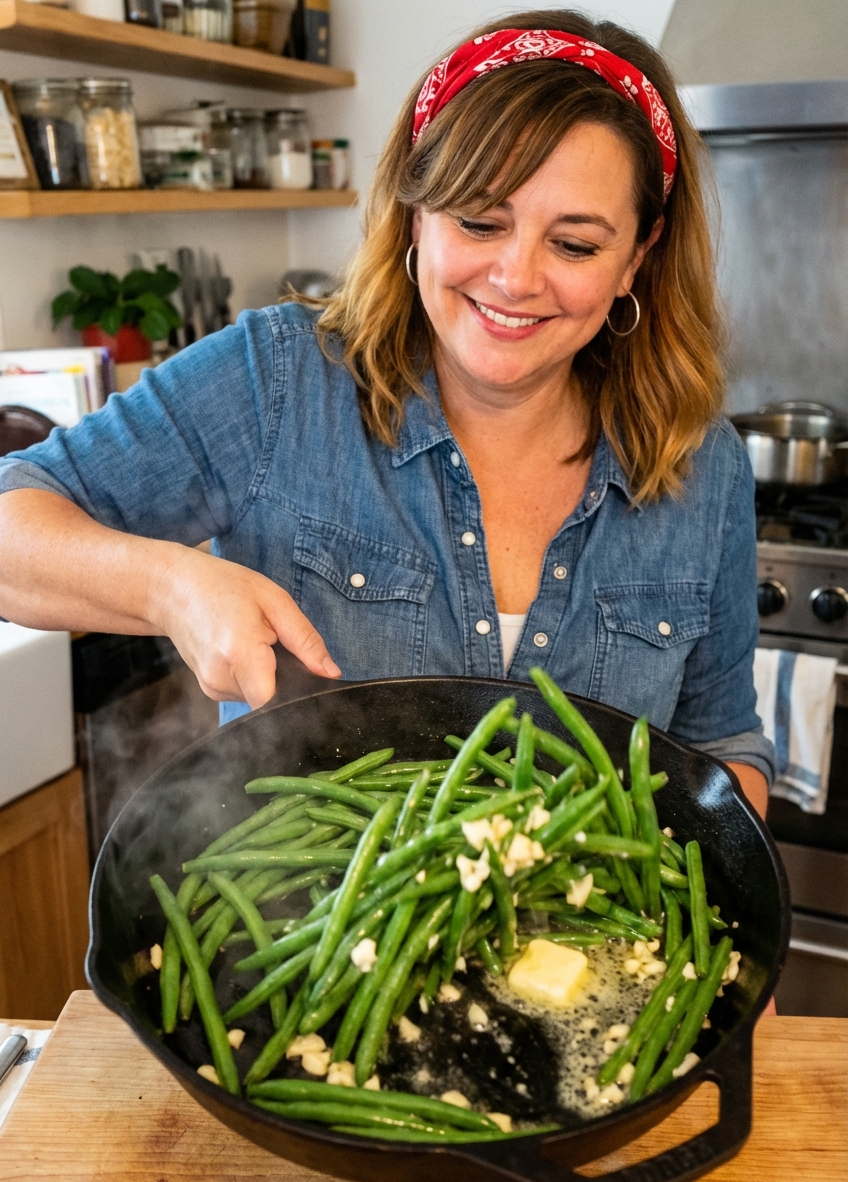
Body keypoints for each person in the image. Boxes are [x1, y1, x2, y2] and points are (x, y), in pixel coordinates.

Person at [0, 9, 773, 816]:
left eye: (574, 245)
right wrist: (172, 586)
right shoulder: (280, 381)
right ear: (416, 213)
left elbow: (719, 743)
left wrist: (717, 881)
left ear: (635, 260)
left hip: (588, 939)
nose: (515, 278)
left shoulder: (700, 461)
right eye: (480, 220)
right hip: (310, 932)